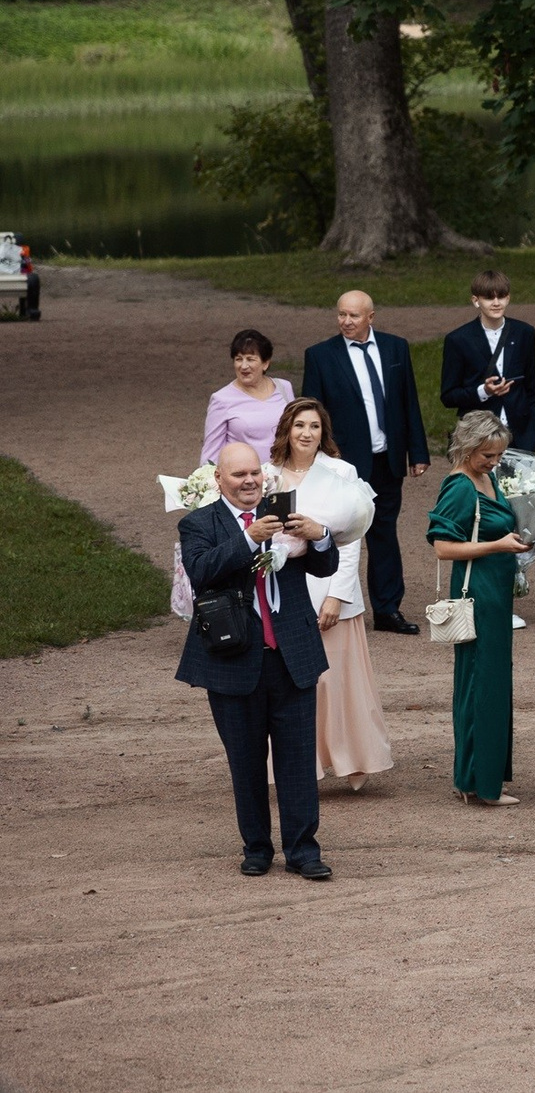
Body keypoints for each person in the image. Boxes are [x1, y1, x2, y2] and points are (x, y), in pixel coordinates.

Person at [177, 442, 341, 879]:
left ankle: (304, 851)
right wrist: (250, 538)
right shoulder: (198, 523)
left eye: (254, 473)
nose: (249, 481)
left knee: (298, 759)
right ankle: (256, 848)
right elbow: (202, 571)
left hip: (292, 656)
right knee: (246, 762)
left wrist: (318, 535)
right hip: (233, 660)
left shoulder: (285, 513)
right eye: (238, 475)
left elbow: (325, 568)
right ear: (219, 480)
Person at [266, 399, 390, 790]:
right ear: (287, 429)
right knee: (291, 685)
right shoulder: (268, 476)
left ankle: (350, 760)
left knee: (335, 683)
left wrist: (337, 595)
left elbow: (351, 539)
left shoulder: (341, 472)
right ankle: (302, 767)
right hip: (282, 592)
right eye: (300, 425)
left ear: (324, 433)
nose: (307, 433)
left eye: (315, 427)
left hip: (330, 589)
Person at [301, 291, 430, 635]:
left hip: (386, 459)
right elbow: (312, 412)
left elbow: (408, 402)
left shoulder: (395, 348)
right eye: (341, 314)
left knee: (384, 534)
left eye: (353, 316)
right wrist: (321, 457)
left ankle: (388, 610)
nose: (345, 321)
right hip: (343, 464)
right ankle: (326, 605)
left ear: (371, 317)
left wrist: (417, 451)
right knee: (337, 534)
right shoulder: (320, 356)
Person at [427, 412, 529, 806]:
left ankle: (480, 777)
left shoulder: (487, 478)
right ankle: (476, 782)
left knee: (491, 683)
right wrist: (498, 546)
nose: (494, 461)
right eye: (487, 454)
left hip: (496, 594)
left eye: (498, 454)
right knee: (480, 684)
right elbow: (442, 547)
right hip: (479, 594)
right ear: (467, 448)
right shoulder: (459, 486)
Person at [440, 269, 535, 452]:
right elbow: (448, 395)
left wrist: (532, 433)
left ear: (508, 298)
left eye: (501, 297)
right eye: (488, 298)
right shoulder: (458, 339)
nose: (496, 303)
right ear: (476, 301)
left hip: (520, 436)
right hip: (478, 436)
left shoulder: (524, 333)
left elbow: (531, 389)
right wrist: (483, 391)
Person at [202, 329, 290, 466]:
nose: (243, 366)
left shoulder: (284, 388)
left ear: (265, 363)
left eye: (250, 359)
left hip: (284, 473)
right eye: (238, 359)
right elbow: (210, 453)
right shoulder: (221, 399)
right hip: (245, 477)